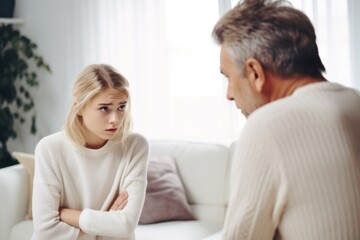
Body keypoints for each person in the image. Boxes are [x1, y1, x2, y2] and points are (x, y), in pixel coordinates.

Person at [212, 0, 360, 239]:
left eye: (228, 77)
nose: (229, 94)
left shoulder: (266, 127)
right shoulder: (354, 100)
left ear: (256, 73)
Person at [32, 64, 149, 240]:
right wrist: (106, 221)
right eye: (104, 108)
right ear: (79, 108)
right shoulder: (49, 148)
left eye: (121, 107)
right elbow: (46, 231)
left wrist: (68, 215)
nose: (115, 119)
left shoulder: (136, 146)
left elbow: (125, 225)